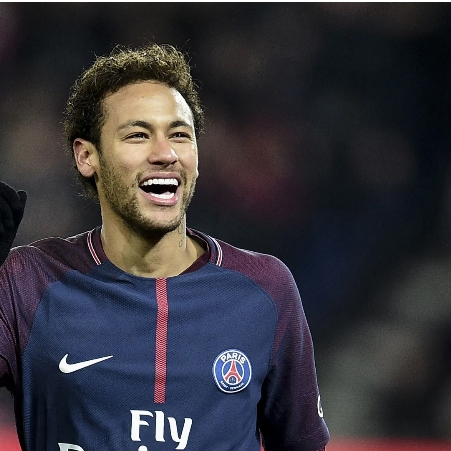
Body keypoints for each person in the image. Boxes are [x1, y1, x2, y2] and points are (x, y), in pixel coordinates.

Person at [0, 43, 330, 451]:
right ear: (87, 157)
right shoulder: (28, 282)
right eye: (138, 135)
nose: (165, 154)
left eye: (179, 135)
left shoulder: (265, 288)